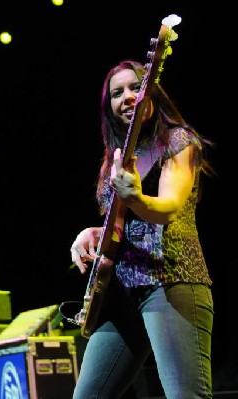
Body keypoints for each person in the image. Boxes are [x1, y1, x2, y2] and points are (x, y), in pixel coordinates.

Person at [69, 60, 215, 398]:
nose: (128, 97)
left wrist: (134, 197)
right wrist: (92, 233)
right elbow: (122, 226)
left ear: (153, 92)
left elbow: (168, 207)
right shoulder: (116, 158)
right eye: (117, 93)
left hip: (170, 281)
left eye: (136, 87)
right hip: (121, 291)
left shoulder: (178, 140)